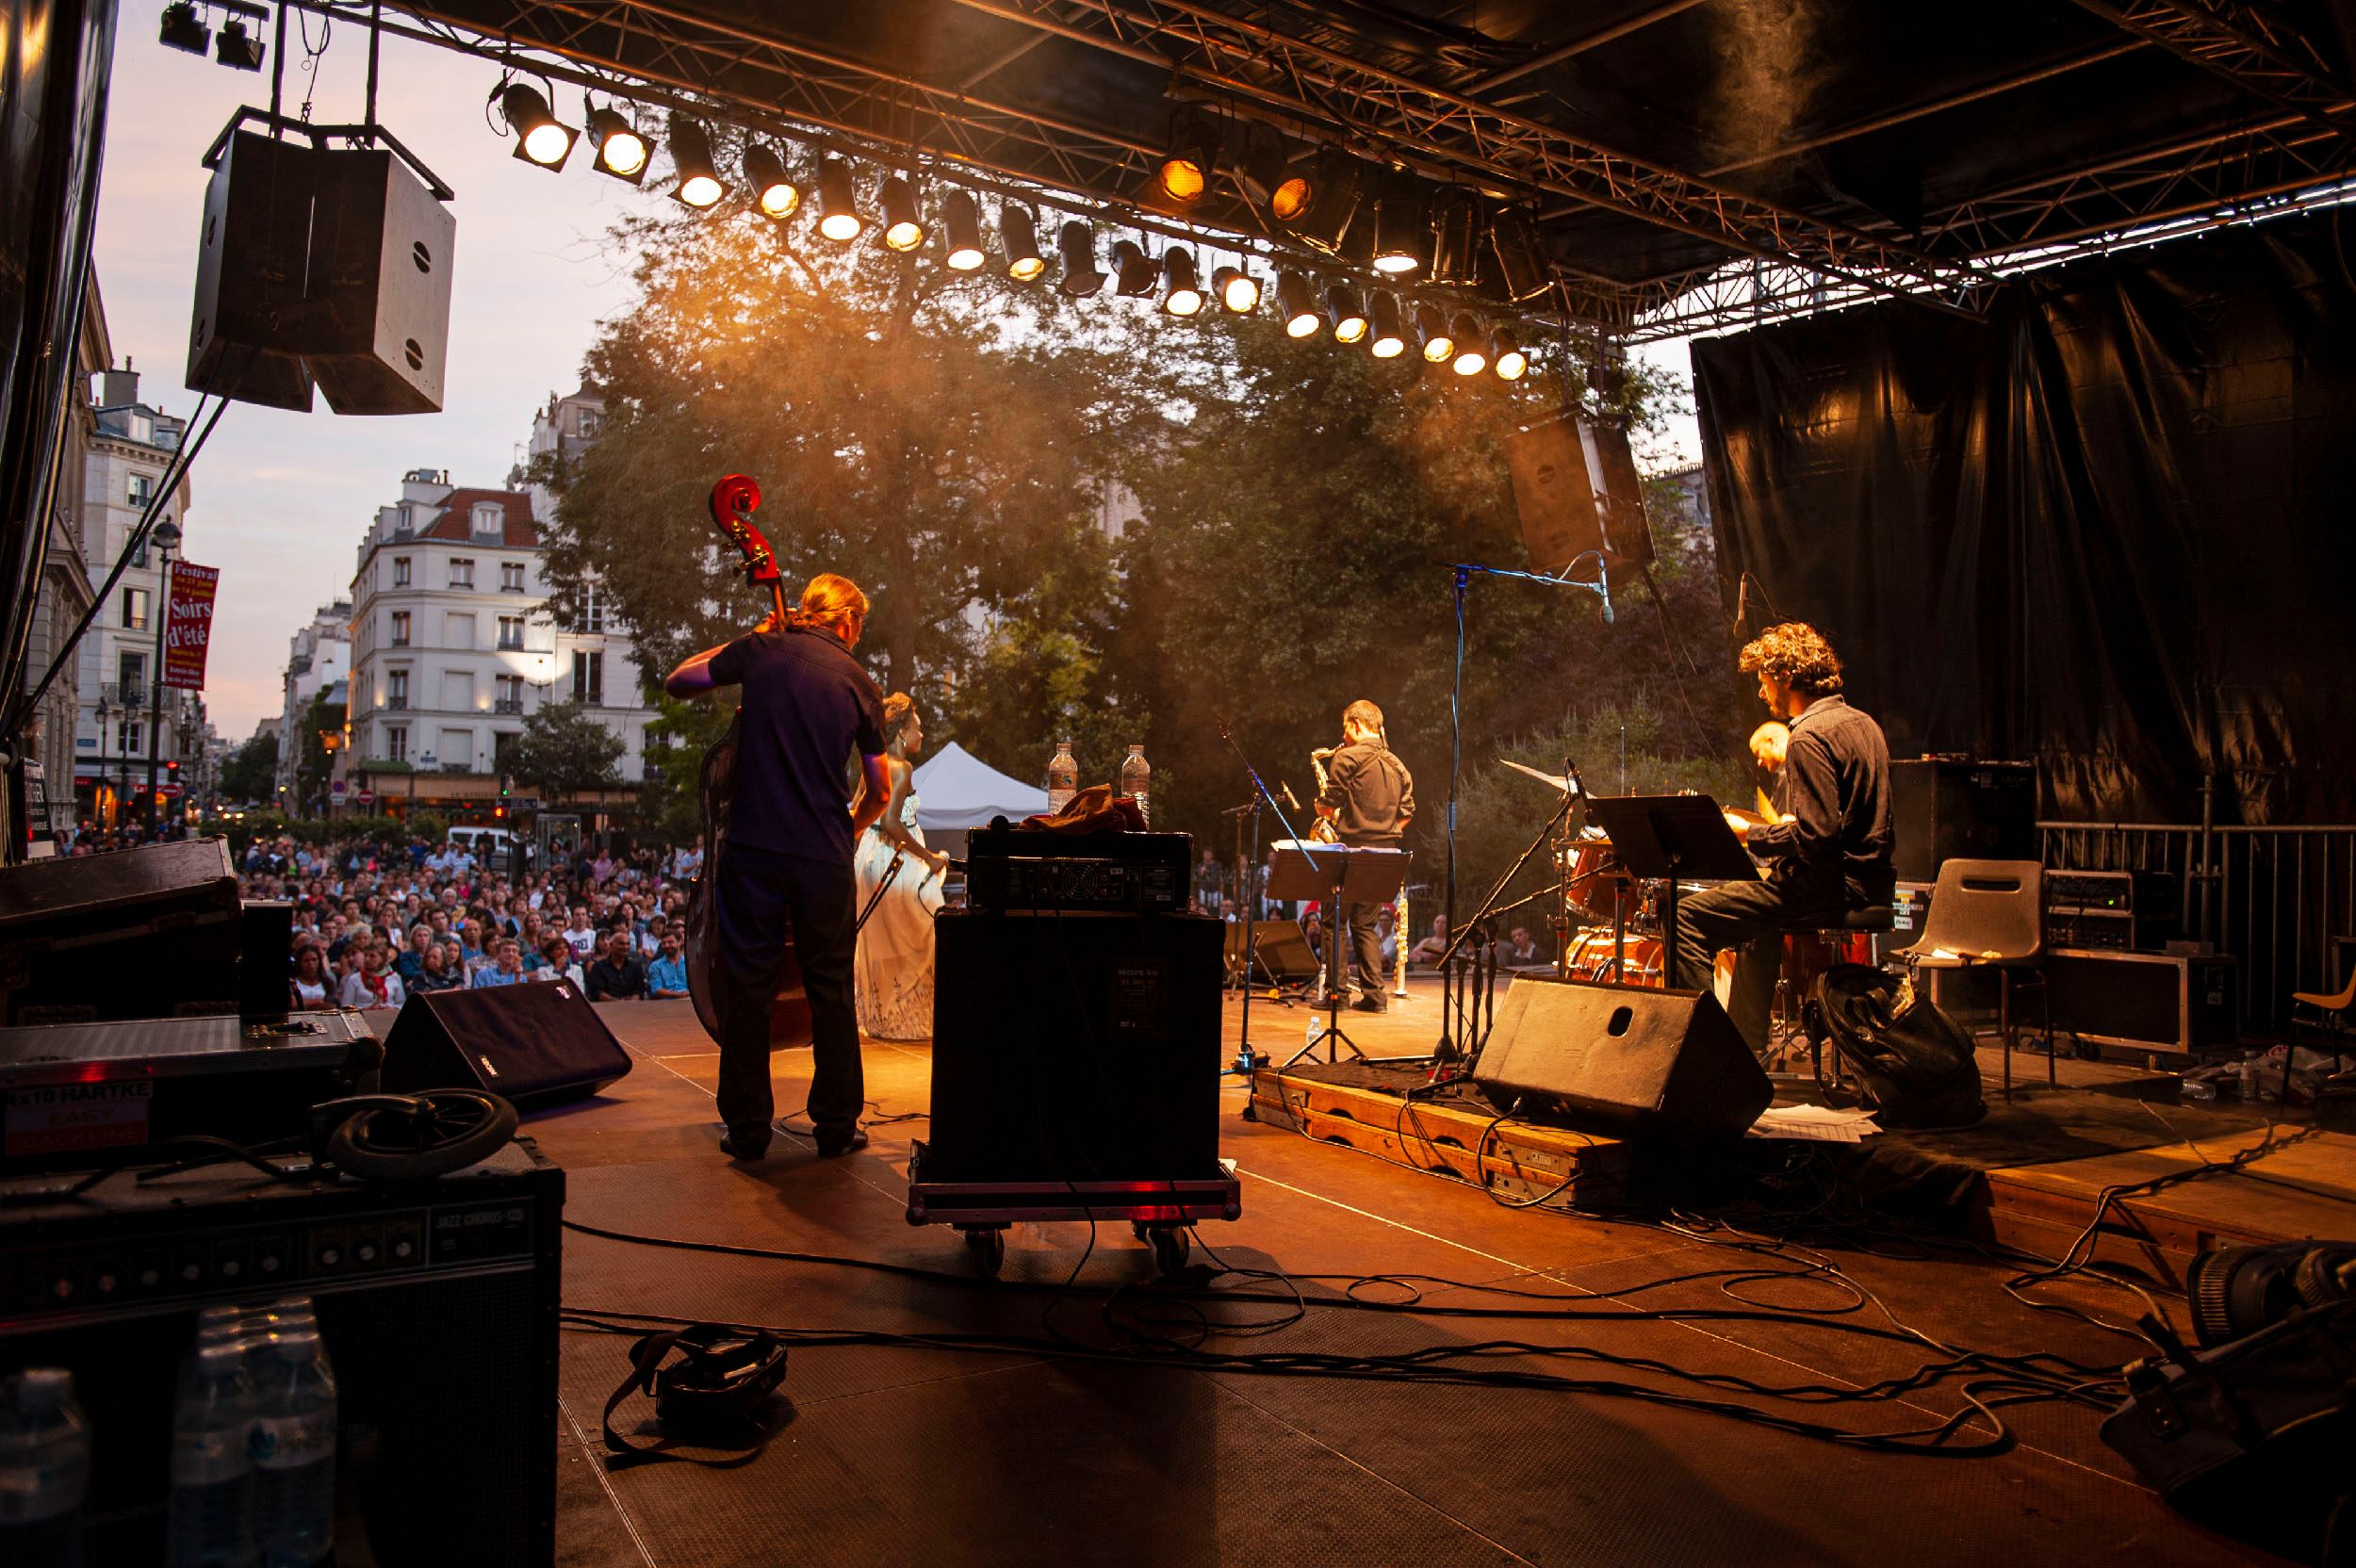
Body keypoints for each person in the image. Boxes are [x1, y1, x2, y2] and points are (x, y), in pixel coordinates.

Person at [665, 572, 892, 1163]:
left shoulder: (761, 652)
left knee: (748, 989)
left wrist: (755, 633)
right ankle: (837, 1127)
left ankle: (747, 1130)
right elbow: (879, 791)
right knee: (832, 991)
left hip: (755, 850)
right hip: (822, 854)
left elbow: (680, 680)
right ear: (846, 621)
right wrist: (848, 828)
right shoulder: (859, 683)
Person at [1668, 622, 1894, 1051]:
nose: (1761, 693)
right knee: (1756, 924)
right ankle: (1746, 1047)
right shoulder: (1865, 725)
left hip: (1828, 888)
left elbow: (1818, 834)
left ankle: (1699, 1052)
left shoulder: (1808, 736)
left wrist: (1748, 834)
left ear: (1786, 677)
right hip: (1872, 883)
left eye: (1763, 681)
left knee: (1685, 917)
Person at [853, 694, 950, 1040]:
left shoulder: (873, 764)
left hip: (869, 856)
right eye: (917, 729)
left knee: (882, 939)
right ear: (901, 733)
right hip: (893, 859)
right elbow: (893, 822)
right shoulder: (902, 768)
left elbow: (856, 810)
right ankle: (907, 1021)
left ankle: (883, 1018)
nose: (921, 736)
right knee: (929, 927)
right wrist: (928, 857)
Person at [1315, 699, 1415, 1013]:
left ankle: (1337, 996)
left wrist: (1322, 809)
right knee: (1365, 925)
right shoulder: (1399, 765)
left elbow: (1330, 806)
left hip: (1351, 852)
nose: (1343, 736)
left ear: (1357, 725)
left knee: (1333, 923)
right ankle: (1375, 996)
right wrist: (1385, 832)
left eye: (1345, 728)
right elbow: (1408, 813)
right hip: (1386, 854)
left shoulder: (1346, 758)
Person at [338, 943, 406, 1011]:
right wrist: (366, 1009)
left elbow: (401, 1004)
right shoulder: (355, 979)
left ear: (383, 958)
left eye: (372, 956)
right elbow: (346, 1007)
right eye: (366, 955)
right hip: (362, 1018)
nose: (367, 959)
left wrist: (392, 1008)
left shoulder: (394, 977)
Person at [585, 930, 646, 1002]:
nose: (625, 947)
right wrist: (617, 1002)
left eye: (628, 944)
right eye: (621, 944)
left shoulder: (635, 967)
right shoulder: (598, 967)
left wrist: (633, 1000)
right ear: (611, 945)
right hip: (606, 1008)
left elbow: (639, 990)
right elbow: (597, 992)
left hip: (633, 1007)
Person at [646, 932, 691, 1000]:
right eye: (664, 943)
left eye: (670, 942)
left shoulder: (689, 964)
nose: (667, 945)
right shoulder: (656, 966)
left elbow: (696, 987)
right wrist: (679, 995)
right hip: (665, 1004)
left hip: (688, 1001)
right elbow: (656, 990)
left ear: (680, 942)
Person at [291, 944, 331, 1008]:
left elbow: (331, 1004)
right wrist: (318, 1002)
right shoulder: (292, 982)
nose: (311, 963)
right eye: (306, 960)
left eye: (314, 960)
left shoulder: (327, 981)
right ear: (299, 962)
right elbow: (293, 1003)